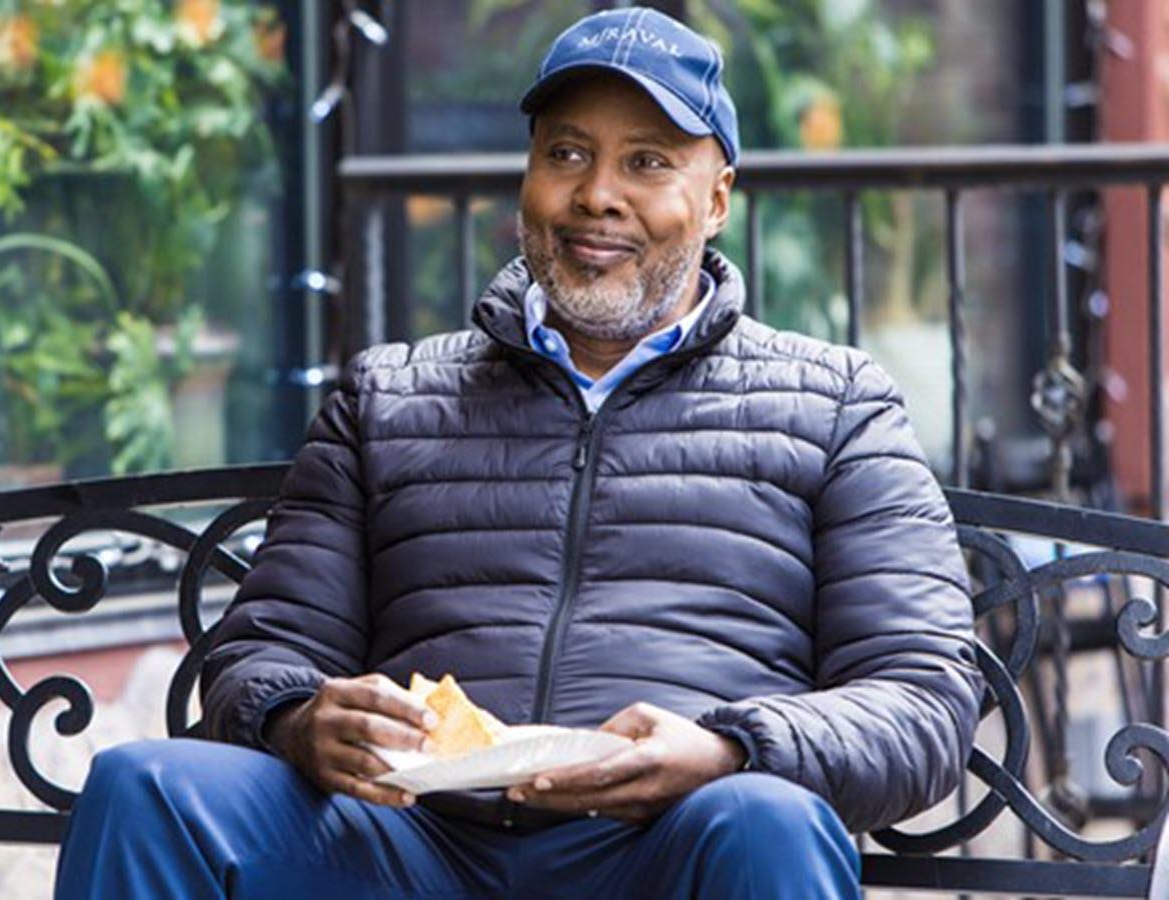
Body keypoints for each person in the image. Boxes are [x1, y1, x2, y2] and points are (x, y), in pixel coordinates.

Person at [55, 8, 984, 898]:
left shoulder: (834, 405)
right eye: (566, 153)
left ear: (716, 200)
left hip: (670, 851)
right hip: (408, 845)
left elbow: (925, 695)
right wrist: (301, 721)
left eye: (648, 162)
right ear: (527, 177)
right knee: (147, 789)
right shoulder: (388, 400)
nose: (597, 196)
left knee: (767, 824)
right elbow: (264, 650)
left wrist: (729, 749)